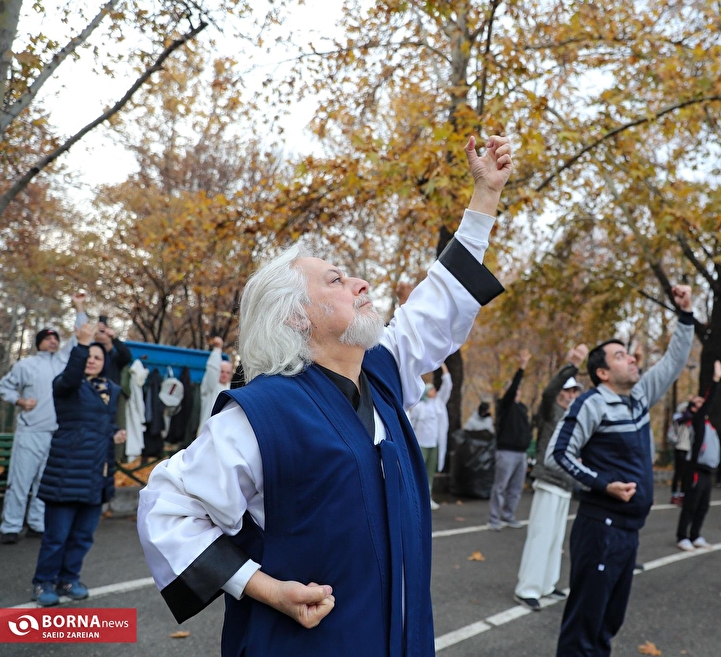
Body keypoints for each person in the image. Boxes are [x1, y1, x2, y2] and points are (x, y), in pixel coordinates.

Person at [137, 135, 512, 657]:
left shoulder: (382, 371)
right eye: (336, 279)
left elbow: (439, 302)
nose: (359, 283)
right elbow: (167, 508)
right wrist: (265, 588)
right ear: (296, 316)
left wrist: (485, 197)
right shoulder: (260, 414)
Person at [547, 285, 695, 657]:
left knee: (607, 624)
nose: (631, 360)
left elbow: (674, 361)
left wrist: (685, 314)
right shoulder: (590, 403)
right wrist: (603, 484)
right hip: (600, 529)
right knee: (584, 626)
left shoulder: (639, 398)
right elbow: (556, 454)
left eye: (629, 354)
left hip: (629, 533)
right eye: (620, 356)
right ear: (602, 372)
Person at [31, 322, 125, 606]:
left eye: (98, 357)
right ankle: (43, 582)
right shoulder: (65, 385)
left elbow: (98, 425)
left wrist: (113, 433)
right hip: (66, 473)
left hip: (96, 475)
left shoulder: (111, 390)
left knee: (83, 536)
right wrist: (82, 345)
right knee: (56, 536)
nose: (92, 360)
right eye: (88, 356)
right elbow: (71, 376)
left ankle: (69, 578)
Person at [0, 294, 87, 544]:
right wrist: (21, 401)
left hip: (56, 432)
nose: (52, 341)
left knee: (43, 484)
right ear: (39, 343)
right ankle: (11, 526)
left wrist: (79, 306)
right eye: (47, 338)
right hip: (30, 432)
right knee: (20, 481)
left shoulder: (63, 362)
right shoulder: (25, 366)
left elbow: (82, 336)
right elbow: (4, 387)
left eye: (54, 338)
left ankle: (37, 524)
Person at [513, 344, 588, 610]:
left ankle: (546, 584)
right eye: (566, 390)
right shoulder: (550, 411)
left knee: (556, 539)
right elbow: (548, 391)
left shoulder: (576, 419)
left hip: (566, 486)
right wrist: (573, 364)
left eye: (574, 391)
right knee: (541, 536)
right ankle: (527, 589)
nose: (570, 395)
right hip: (548, 482)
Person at [675, 361, 721, 551]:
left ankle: (695, 535)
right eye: (697, 403)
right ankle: (682, 536)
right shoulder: (696, 421)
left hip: (707, 470)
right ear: (694, 409)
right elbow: (709, 399)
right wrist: (715, 380)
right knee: (690, 504)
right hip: (695, 468)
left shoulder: (708, 424)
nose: (702, 404)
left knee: (703, 506)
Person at [489, 349, 533, 530]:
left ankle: (508, 515)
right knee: (500, 487)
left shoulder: (522, 408)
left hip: (521, 453)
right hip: (506, 452)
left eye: (518, 390)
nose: (517, 392)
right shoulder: (504, 406)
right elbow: (513, 387)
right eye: (513, 389)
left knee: (515, 488)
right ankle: (493, 519)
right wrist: (521, 368)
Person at [407, 363, 452, 510]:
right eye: (432, 389)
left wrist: (444, 368)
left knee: (430, 472)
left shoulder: (439, 403)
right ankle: (415, 498)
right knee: (418, 471)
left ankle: (428, 497)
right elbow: (411, 425)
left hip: (434, 444)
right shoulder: (419, 407)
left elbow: (447, 386)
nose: (435, 391)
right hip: (421, 444)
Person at [197, 336, 234, 435]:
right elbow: (212, 371)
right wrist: (217, 350)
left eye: (227, 372)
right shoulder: (211, 387)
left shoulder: (232, 390)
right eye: (221, 371)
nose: (224, 374)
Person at [668, 400, 692, 506]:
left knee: (686, 474)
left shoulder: (691, 422)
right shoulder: (679, 419)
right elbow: (686, 416)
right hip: (680, 448)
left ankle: (683, 495)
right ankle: (674, 495)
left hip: (689, 449)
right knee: (678, 473)